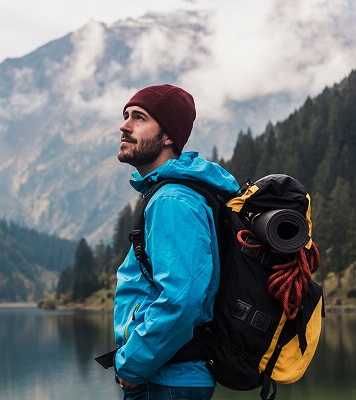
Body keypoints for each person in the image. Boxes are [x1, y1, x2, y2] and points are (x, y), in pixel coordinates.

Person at [113, 84, 240, 399]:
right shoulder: (172, 194)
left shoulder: (173, 200)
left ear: (168, 136)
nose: (124, 125)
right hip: (166, 374)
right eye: (126, 115)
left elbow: (181, 299)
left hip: (167, 378)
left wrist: (131, 366)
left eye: (139, 118)